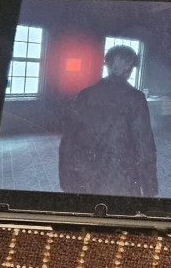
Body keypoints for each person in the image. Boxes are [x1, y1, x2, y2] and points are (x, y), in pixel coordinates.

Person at [58, 45, 158, 197]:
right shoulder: (136, 98)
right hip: (122, 176)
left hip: (87, 172)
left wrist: (66, 178)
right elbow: (144, 145)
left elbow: (68, 139)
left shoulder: (85, 95)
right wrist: (150, 188)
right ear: (129, 69)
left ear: (108, 66)